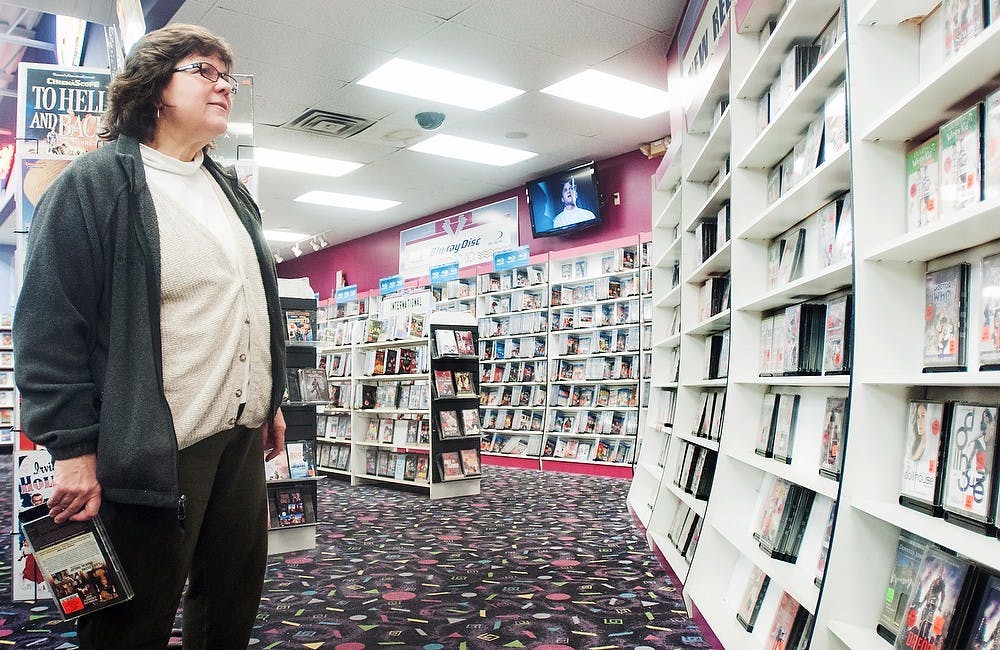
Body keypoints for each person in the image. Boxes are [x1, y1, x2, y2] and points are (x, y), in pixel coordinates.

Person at [13, 24, 287, 649]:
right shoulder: (97, 185)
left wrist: (268, 399)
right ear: (155, 87)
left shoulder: (231, 193)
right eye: (204, 71)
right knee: (129, 620)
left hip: (241, 441)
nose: (223, 85)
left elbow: (251, 305)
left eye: (228, 75)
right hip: (152, 447)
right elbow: (50, 327)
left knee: (231, 599)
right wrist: (73, 449)